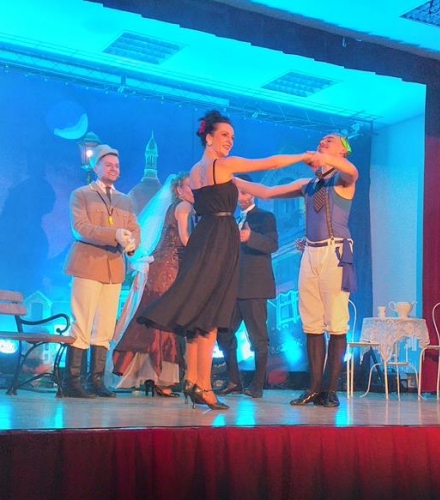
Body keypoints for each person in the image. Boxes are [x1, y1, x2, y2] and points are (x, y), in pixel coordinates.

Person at [136, 110, 309, 410]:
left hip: (206, 235)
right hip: (218, 237)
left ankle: (194, 380)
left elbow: (265, 191)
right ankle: (202, 385)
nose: (230, 140)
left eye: (232, 136)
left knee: (202, 311)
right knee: (212, 312)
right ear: (209, 137)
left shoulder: (196, 171)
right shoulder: (223, 166)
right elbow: (269, 164)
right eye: (225, 135)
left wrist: (302, 186)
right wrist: (303, 156)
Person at [233, 133, 359, 408]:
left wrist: (323, 158)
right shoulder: (308, 185)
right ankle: (313, 388)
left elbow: (352, 170)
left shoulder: (343, 179)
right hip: (310, 253)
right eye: (321, 140)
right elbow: (267, 192)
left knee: (336, 323)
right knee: (312, 322)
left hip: (335, 252)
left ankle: (330, 390)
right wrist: (231, 178)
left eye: (330, 140)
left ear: (342, 151)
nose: (323, 141)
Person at [63, 144, 141, 398]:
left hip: (113, 268)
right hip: (87, 263)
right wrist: (114, 234)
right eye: (108, 165)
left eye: (116, 166)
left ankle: (95, 380)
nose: (114, 169)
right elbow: (80, 228)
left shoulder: (125, 200)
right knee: (82, 323)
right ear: (96, 167)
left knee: (105, 326)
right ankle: (72, 380)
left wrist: (131, 244)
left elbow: (134, 228)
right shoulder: (81, 194)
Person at [111, 174, 195, 397]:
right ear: (179, 190)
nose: (193, 190)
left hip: (161, 265)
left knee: (152, 316)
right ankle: (158, 376)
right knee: (163, 319)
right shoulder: (184, 206)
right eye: (189, 186)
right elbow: (185, 239)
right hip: (169, 267)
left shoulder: (172, 208)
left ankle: (147, 374)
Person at [215, 174, 278, 398]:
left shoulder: (265, 217)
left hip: (254, 287)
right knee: (223, 333)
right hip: (232, 288)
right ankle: (234, 380)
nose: (240, 198)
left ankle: (257, 385)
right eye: (237, 193)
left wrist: (251, 237)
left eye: (243, 192)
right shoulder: (230, 220)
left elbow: (272, 244)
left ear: (252, 192)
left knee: (258, 337)